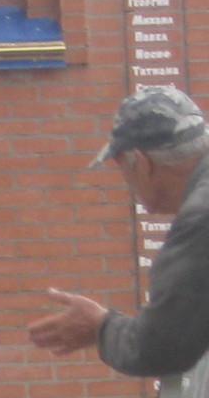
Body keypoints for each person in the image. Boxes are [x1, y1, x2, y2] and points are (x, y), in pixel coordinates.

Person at [28, 85, 209, 376]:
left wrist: (101, 326)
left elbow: (158, 348)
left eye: (123, 168)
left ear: (141, 162)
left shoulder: (200, 219)